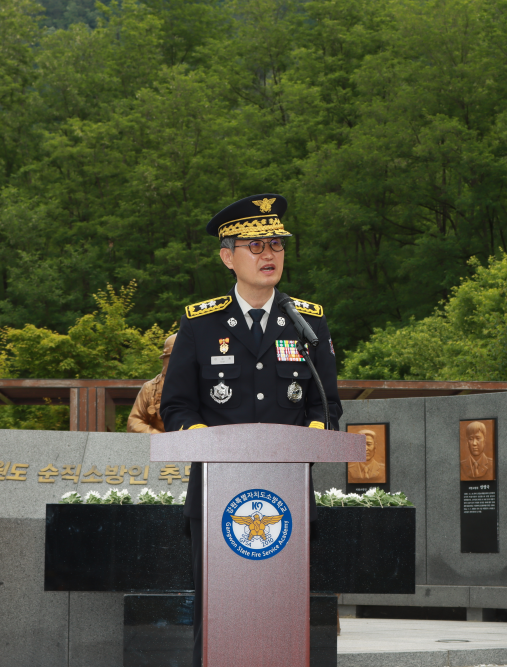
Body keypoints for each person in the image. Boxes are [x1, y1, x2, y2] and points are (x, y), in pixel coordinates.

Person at [159, 193, 342, 667]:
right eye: (255, 246)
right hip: (216, 496)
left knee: (285, 614)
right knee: (218, 615)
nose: (268, 254)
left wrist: (310, 438)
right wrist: (210, 443)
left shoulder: (306, 323)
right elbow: (175, 406)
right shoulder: (201, 323)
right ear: (228, 257)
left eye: (276, 245)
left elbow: (327, 405)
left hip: (288, 495)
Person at [126, 333, 177, 434]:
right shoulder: (150, 388)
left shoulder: (203, 386)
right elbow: (134, 423)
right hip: (161, 442)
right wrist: (160, 437)